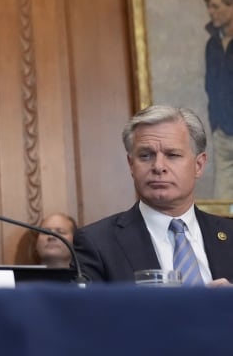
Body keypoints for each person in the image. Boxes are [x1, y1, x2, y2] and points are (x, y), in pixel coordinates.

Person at [73, 105, 233, 285]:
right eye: (146, 156)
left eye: (172, 155)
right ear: (131, 164)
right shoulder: (97, 243)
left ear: (199, 165)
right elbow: (87, 312)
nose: (158, 166)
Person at [201, 0, 233, 198]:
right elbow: (210, 86)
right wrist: (214, 125)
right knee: (222, 200)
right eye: (209, 6)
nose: (210, 12)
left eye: (215, 6)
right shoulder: (212, 45)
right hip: (221, 131)